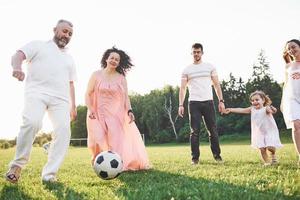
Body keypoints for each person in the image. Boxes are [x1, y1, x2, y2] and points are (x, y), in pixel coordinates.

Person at [5, 19, 77, 183]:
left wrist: (73, 105)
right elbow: (18, 55)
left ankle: (49, 174)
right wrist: (17, 68)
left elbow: (71, 83)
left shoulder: (69, 59)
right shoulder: (38, 45)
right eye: (64, 31)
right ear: (54, 30)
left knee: (64, 131)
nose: (66, 35)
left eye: (70, 34)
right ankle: (17, 166)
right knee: (32, 122)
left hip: (61, 99)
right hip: (37, 92)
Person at [85, 47, 149, 171]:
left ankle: (116, 165)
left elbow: (126, 97)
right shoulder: (96, 75)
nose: (114, 61)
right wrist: (90, 108)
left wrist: (129, 111)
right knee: (97, 140)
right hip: (96, 113)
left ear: (119, 63)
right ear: (106, 59)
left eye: (117, 59)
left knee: (115, 142)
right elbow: (87, 93)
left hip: (115, 114)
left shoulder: (121, 78)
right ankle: (97, 160)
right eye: (112, 58)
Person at [178, 43, 225, 165]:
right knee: (194, 131)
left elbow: (216, 85)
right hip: (194, 103)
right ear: (191, 53)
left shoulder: (210, 67)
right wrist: (180, 105)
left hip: (208, 102)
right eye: (194, 52)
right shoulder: (186, 70)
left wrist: (221, 101)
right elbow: (182, 88)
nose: (196, 54)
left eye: (198, 52)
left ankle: (217, 156)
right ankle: (195, 158)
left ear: (202, 53)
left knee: (212, 130)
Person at [224, 91, 283, 166]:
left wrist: (273, 110)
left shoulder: (266, 108)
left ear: (263, 100)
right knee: (262, 149)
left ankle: (273, 156)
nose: (254, 102)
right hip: (259, 132)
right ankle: (267, 163)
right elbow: (242, 110)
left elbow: (272, 111)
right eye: (252, 100)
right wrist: (231, 109)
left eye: (257, 100)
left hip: (269, 131)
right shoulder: (252, 109)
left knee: (270, 147)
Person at [281, 39, 300, 165]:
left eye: (293, 47)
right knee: (296, 125)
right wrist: (283, 102)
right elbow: (286, 86)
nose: (291, 50)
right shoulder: (288, 66)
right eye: (289, 49)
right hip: (292, 99)